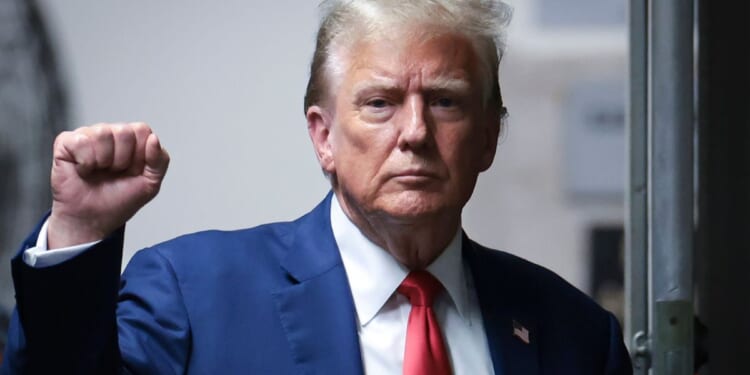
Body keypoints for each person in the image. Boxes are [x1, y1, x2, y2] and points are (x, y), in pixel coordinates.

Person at [1, 0, 632, 374]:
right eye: (380, 103)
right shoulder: (193, 294)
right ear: (322, 137)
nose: (414, 132)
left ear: (490, 136)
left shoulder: (576, 335)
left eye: (445, 102)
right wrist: (80, 233)